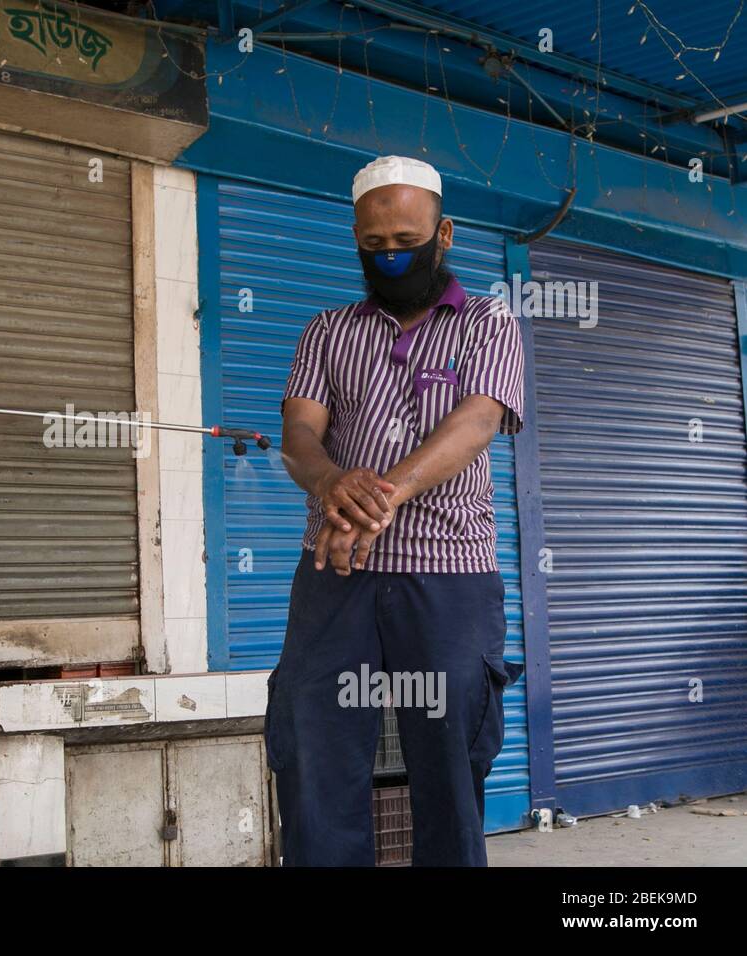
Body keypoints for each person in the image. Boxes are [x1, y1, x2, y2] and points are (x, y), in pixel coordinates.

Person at [268, 155, 526, 866]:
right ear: (356, 239)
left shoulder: (487, 322)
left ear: (444, 233)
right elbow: (298, 436)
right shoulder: (327, 331)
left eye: (406, 242)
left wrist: (380, 493)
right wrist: (327, 484)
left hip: (447, 577)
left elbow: (476, 423)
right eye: (374, 246)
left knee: (449, 760)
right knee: (315, 755)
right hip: (336, 574)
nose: (390, 259)